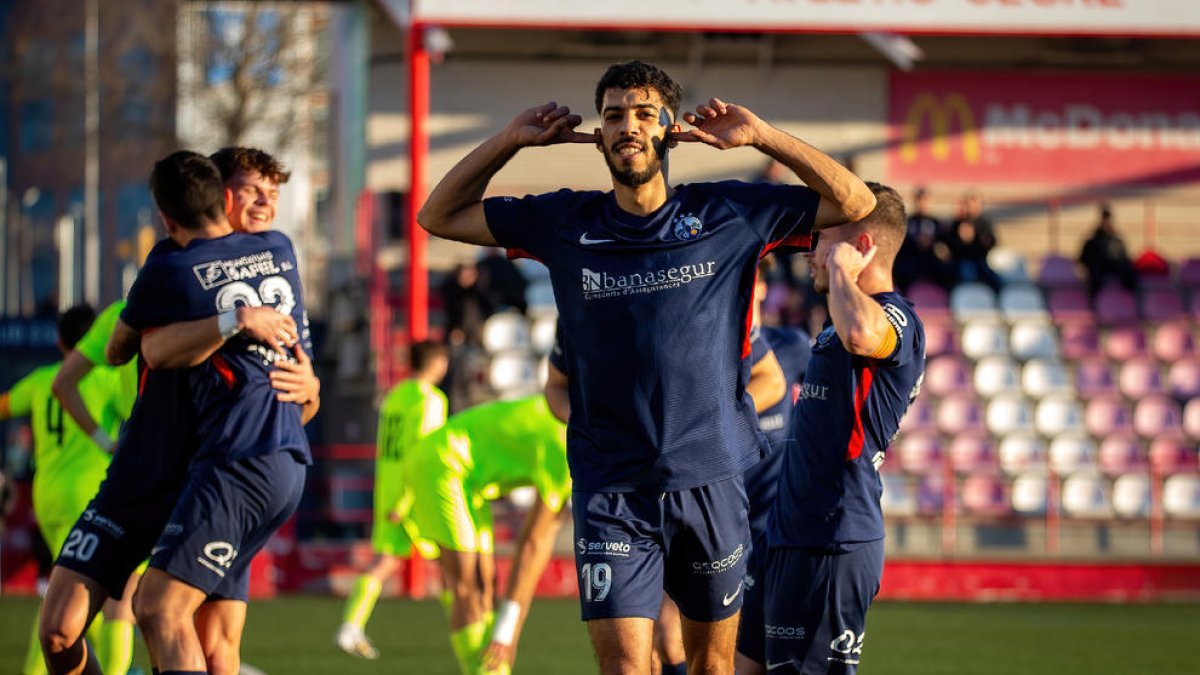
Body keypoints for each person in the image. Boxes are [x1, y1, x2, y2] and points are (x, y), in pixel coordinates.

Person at [417, 59, 874, 674]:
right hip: (612, 488)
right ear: (598, 134)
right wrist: (510, 142)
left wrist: (762, 136)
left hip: (710, 480)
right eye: (612, 116)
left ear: (669, 129)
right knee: (626, 668)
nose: (626, 126)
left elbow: (855, 201)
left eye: (642, 113)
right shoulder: (564, 220)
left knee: (713, 667)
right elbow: (437, 215)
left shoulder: (730, 214)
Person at [39, 148, 315, 675]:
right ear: (217, 194)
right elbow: (131, 350)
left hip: (220, 470)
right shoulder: (165, 269)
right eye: (251, 190)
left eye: (273, 194)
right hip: (141, 475)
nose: (264, 204)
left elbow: (299, 390)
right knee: (59, 631)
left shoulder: (274, 256)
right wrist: (233, 318)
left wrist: (312, 387)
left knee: (200, 639)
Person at [763, 182, 925, 674]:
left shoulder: (897, 318)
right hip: (795, 535)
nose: (810, 252)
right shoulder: (835, 323)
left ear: (860, 248)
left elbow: (863, 334)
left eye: (822, 240)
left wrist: (839, 273)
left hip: (834, 537)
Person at [0, 305, 133, 675]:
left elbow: (4, 406)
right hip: (93, 498)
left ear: (59, 343)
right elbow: (139, 415)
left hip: (48, 497)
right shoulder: (106, 378)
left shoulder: (41, 379)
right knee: (104, 596)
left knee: (68, 592)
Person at [402, 395, 571, 675]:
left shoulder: (572, 424)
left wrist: (508, 629)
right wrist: (507, 632)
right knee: (469, 587)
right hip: (442, 464)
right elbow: (533, 544)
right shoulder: (566, 445)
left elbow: (539, 539)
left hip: (469, 481)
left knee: (485, 585)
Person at [336, 340, 450, 659]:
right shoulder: (431, 399)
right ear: (437, 363)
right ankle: (471, 630)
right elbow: (424, 453)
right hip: (413, 493)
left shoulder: (395, 395)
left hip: (388, 486)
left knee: (384, 561)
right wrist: (409, 499)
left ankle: (350, 626)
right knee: (453, 560)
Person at [735, 257, 812, 675]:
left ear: (763, 287)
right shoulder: (714, 348)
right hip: (721, 515)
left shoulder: (794, 346)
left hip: (774, 528)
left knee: (768, 656)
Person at [894, 187, 951, 292]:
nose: (922, 204)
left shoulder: (936, 223)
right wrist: (916, 242)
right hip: (912, 259)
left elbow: (944, 244)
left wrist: (932, 244)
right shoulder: (907, 221)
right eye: (920, 200)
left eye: (925, 200)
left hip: (930, 259)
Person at [943, 190, 1000, 290]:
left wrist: (983, 241)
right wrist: (962, 240)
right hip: (961, 262)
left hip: (980, 261)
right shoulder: (958, 223)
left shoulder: (984, 223)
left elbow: (992, 242)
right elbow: (949, 243)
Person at [1079, 203, 1138, 298]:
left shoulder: (1117, 241)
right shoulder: (1092, 241)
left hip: (1114, 266)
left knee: (1129, 271)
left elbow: (1124, 258)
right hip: (1098, 268)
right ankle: (1093, 302)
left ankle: (1132, 300)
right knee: (1094, 273)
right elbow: (1083, 258)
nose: (1106, 222)